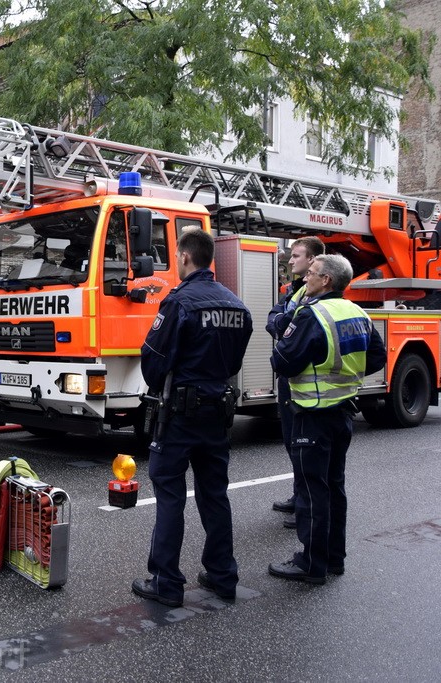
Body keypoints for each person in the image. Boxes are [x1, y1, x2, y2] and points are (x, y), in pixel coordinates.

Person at [132, 229, 253, 607]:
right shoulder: (237, 306)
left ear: (185, 258)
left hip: (181, 415)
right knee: (214, 495)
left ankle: (166, 582)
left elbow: (153, 362)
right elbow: (234, 363)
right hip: (218, 411)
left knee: (169, 494)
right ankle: (223, 576)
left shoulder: (179, 302)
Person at [268, 254, 386, 584]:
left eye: (313, 274)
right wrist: (344, 374)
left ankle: (310, 563)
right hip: (344, 412)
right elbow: (376, 356)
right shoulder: (357, 312)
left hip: (312, 415)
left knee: (311, 491)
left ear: (326, 281)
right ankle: (334, 558)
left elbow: (283, 361)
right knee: (334, 487)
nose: (306, 278)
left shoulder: (311, 314)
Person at [265, 237, 325, 529]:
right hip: (292, 382)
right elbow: (274, 318)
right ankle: (298, 495)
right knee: (291, 441)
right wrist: (283, 321)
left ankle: (305, 505)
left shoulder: (316, 293)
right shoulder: (293, 290)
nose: (290, 260)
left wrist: (283, 322)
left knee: (304, 446)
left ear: (313, 260)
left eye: (296, 256)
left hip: (308, 386)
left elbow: (290, 324)